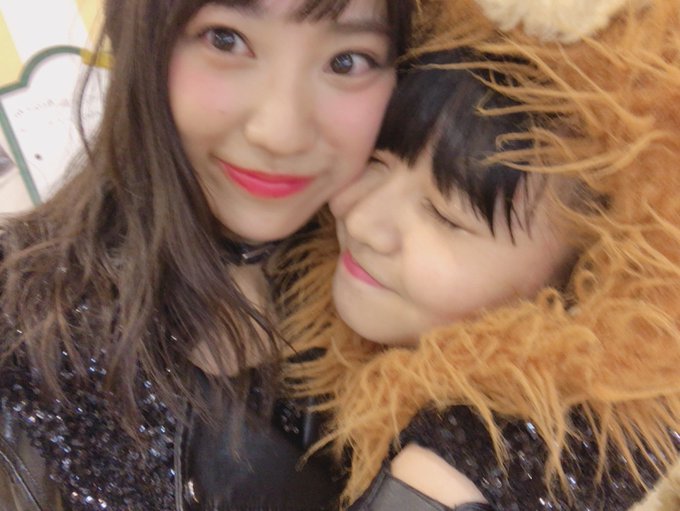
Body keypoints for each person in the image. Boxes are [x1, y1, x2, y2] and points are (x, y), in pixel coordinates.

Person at [0, 0, 414, 510]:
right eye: (225, 39)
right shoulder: (17, 327)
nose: (281, 135)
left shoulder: (437, 310)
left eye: (347, 61)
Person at [278, 0, 680, 509]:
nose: (361, 221)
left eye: (444, 216)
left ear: (590, 278)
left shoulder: (467, 465)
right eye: (377, 162)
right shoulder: (283, 298)